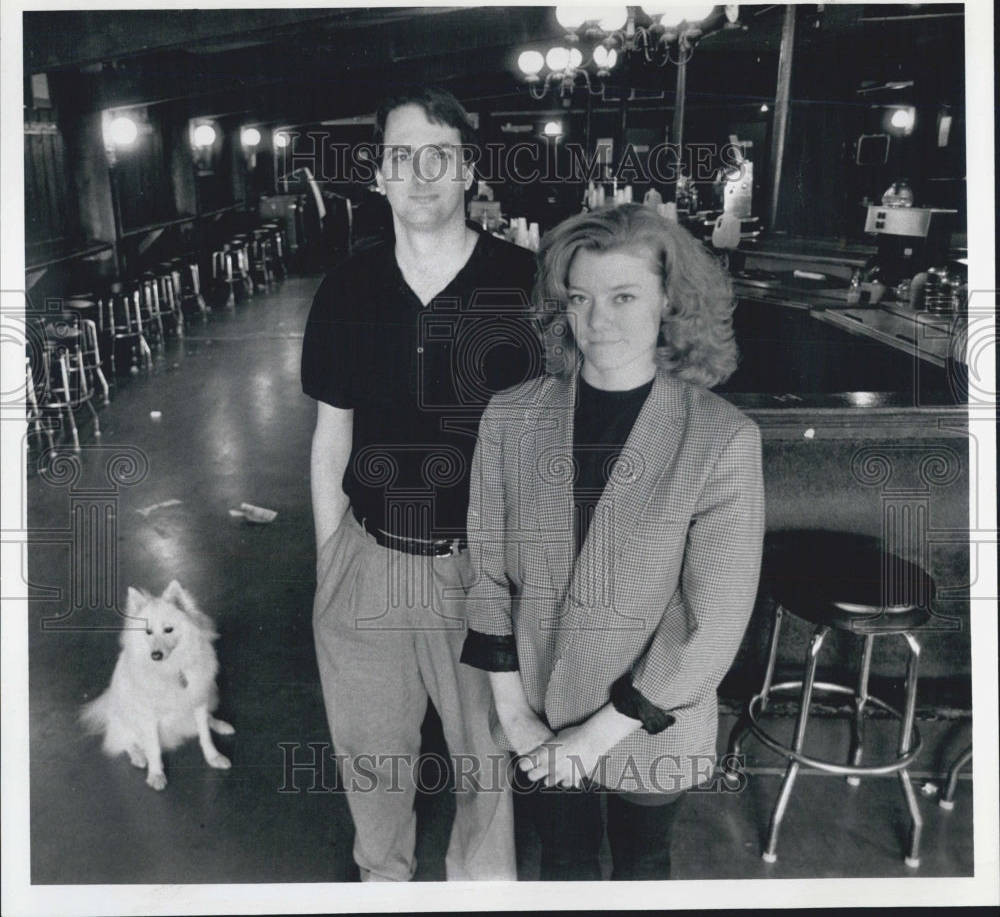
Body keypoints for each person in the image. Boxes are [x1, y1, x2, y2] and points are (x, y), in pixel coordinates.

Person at [460, 203, 765, 880]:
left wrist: (592, 739)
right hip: (536, 713)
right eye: (579, 298)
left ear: (670, 301)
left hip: (652, 720)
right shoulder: (511, 416)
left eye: (623, 296)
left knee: (642, 863)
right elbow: (486, 575)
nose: (597, 321)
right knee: (562, 861)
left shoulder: (720, 438)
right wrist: (517, 719)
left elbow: (710, 625)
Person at [301, 86, 540, 882]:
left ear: (470, 169)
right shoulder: (348, 290)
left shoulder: (527, 287)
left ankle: (479, 889)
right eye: (403, 156)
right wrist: (329, 559)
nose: (423, 172)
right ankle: (384, 882)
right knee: (371, 758)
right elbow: (332, 430)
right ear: (379, 175)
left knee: (487, 760)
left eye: (442, 154)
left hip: (484, 573)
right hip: (367, 561)